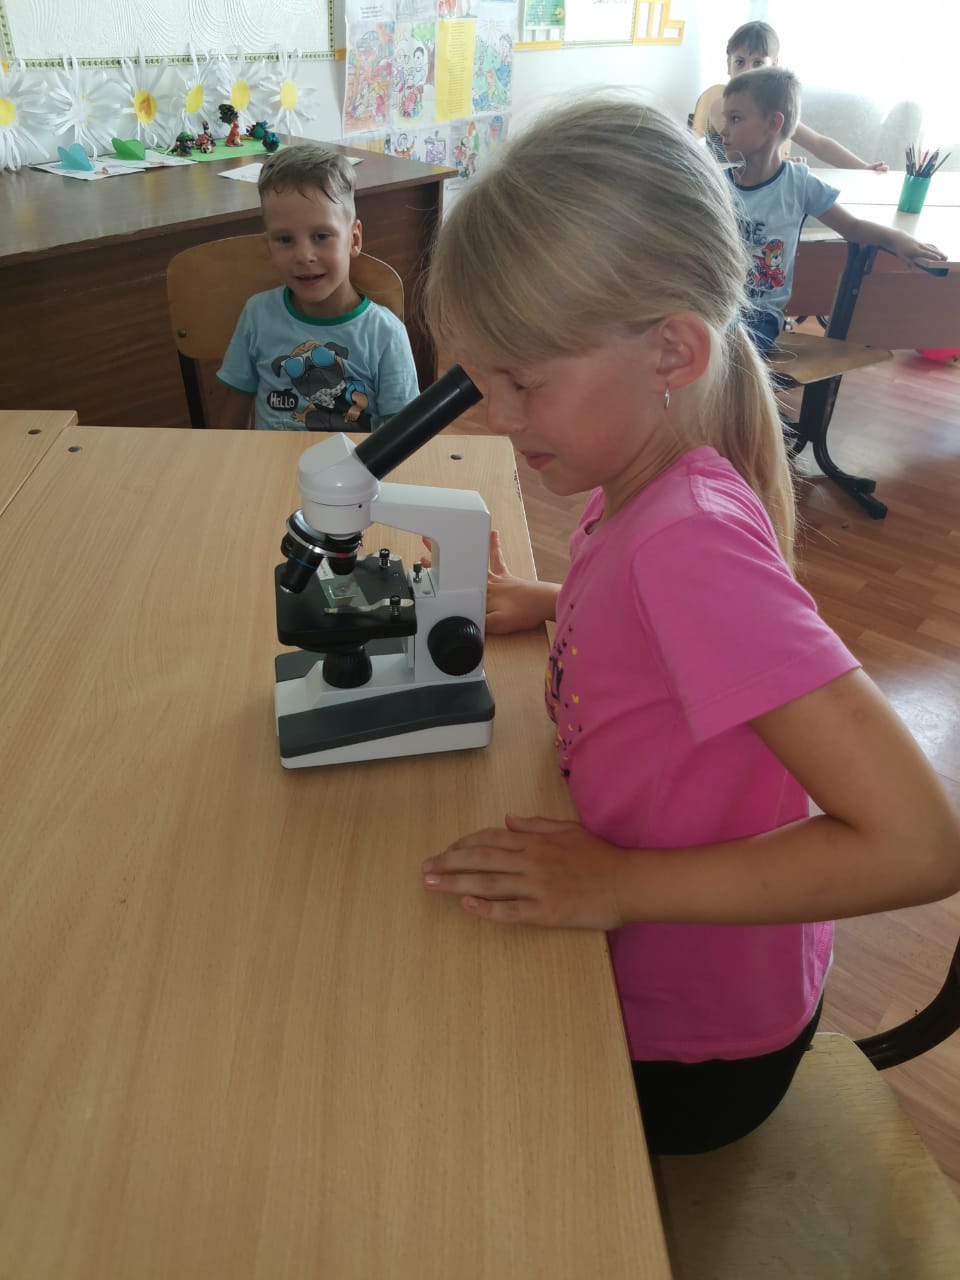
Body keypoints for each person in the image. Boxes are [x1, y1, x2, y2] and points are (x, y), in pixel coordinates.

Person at [417, 94, 960, 1156]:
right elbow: (662, 639)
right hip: (663, 973)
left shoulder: (689, 541)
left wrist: (619, 883)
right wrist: (552, 601)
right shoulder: (640, 485)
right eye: (485, 382)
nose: (498, 417)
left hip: (696, 1046)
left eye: (522, 382)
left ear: (670, 350)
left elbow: (920, 843)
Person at [720, 66, 944, 354]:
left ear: (773, 123)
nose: (723, 130)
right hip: (716, 304)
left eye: (735, 119)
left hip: (760, 315)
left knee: (728, 356)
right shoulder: (716, 184)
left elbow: (852, 228)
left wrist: (896, 238)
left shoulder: (798, 184)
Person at [216, 145, 419, 430]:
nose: (304, 256)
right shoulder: (257, 315)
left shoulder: (385, 334)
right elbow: (231, 425)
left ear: (354, 239)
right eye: (285, 240)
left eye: (321, 236)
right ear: (268, 247)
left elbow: (404, 435)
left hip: (356, 461)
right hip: (272, 460)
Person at [701, 21, 888, 171]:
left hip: (757, 190)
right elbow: (740, 155)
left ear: (774, 66)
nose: (748, 70)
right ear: (728, 65)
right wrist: (781, 166)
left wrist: (863, 168)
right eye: (740, 62)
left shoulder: (774, 110)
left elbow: (818, 144)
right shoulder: (721, 106)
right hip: (720, 189)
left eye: (758, 63)